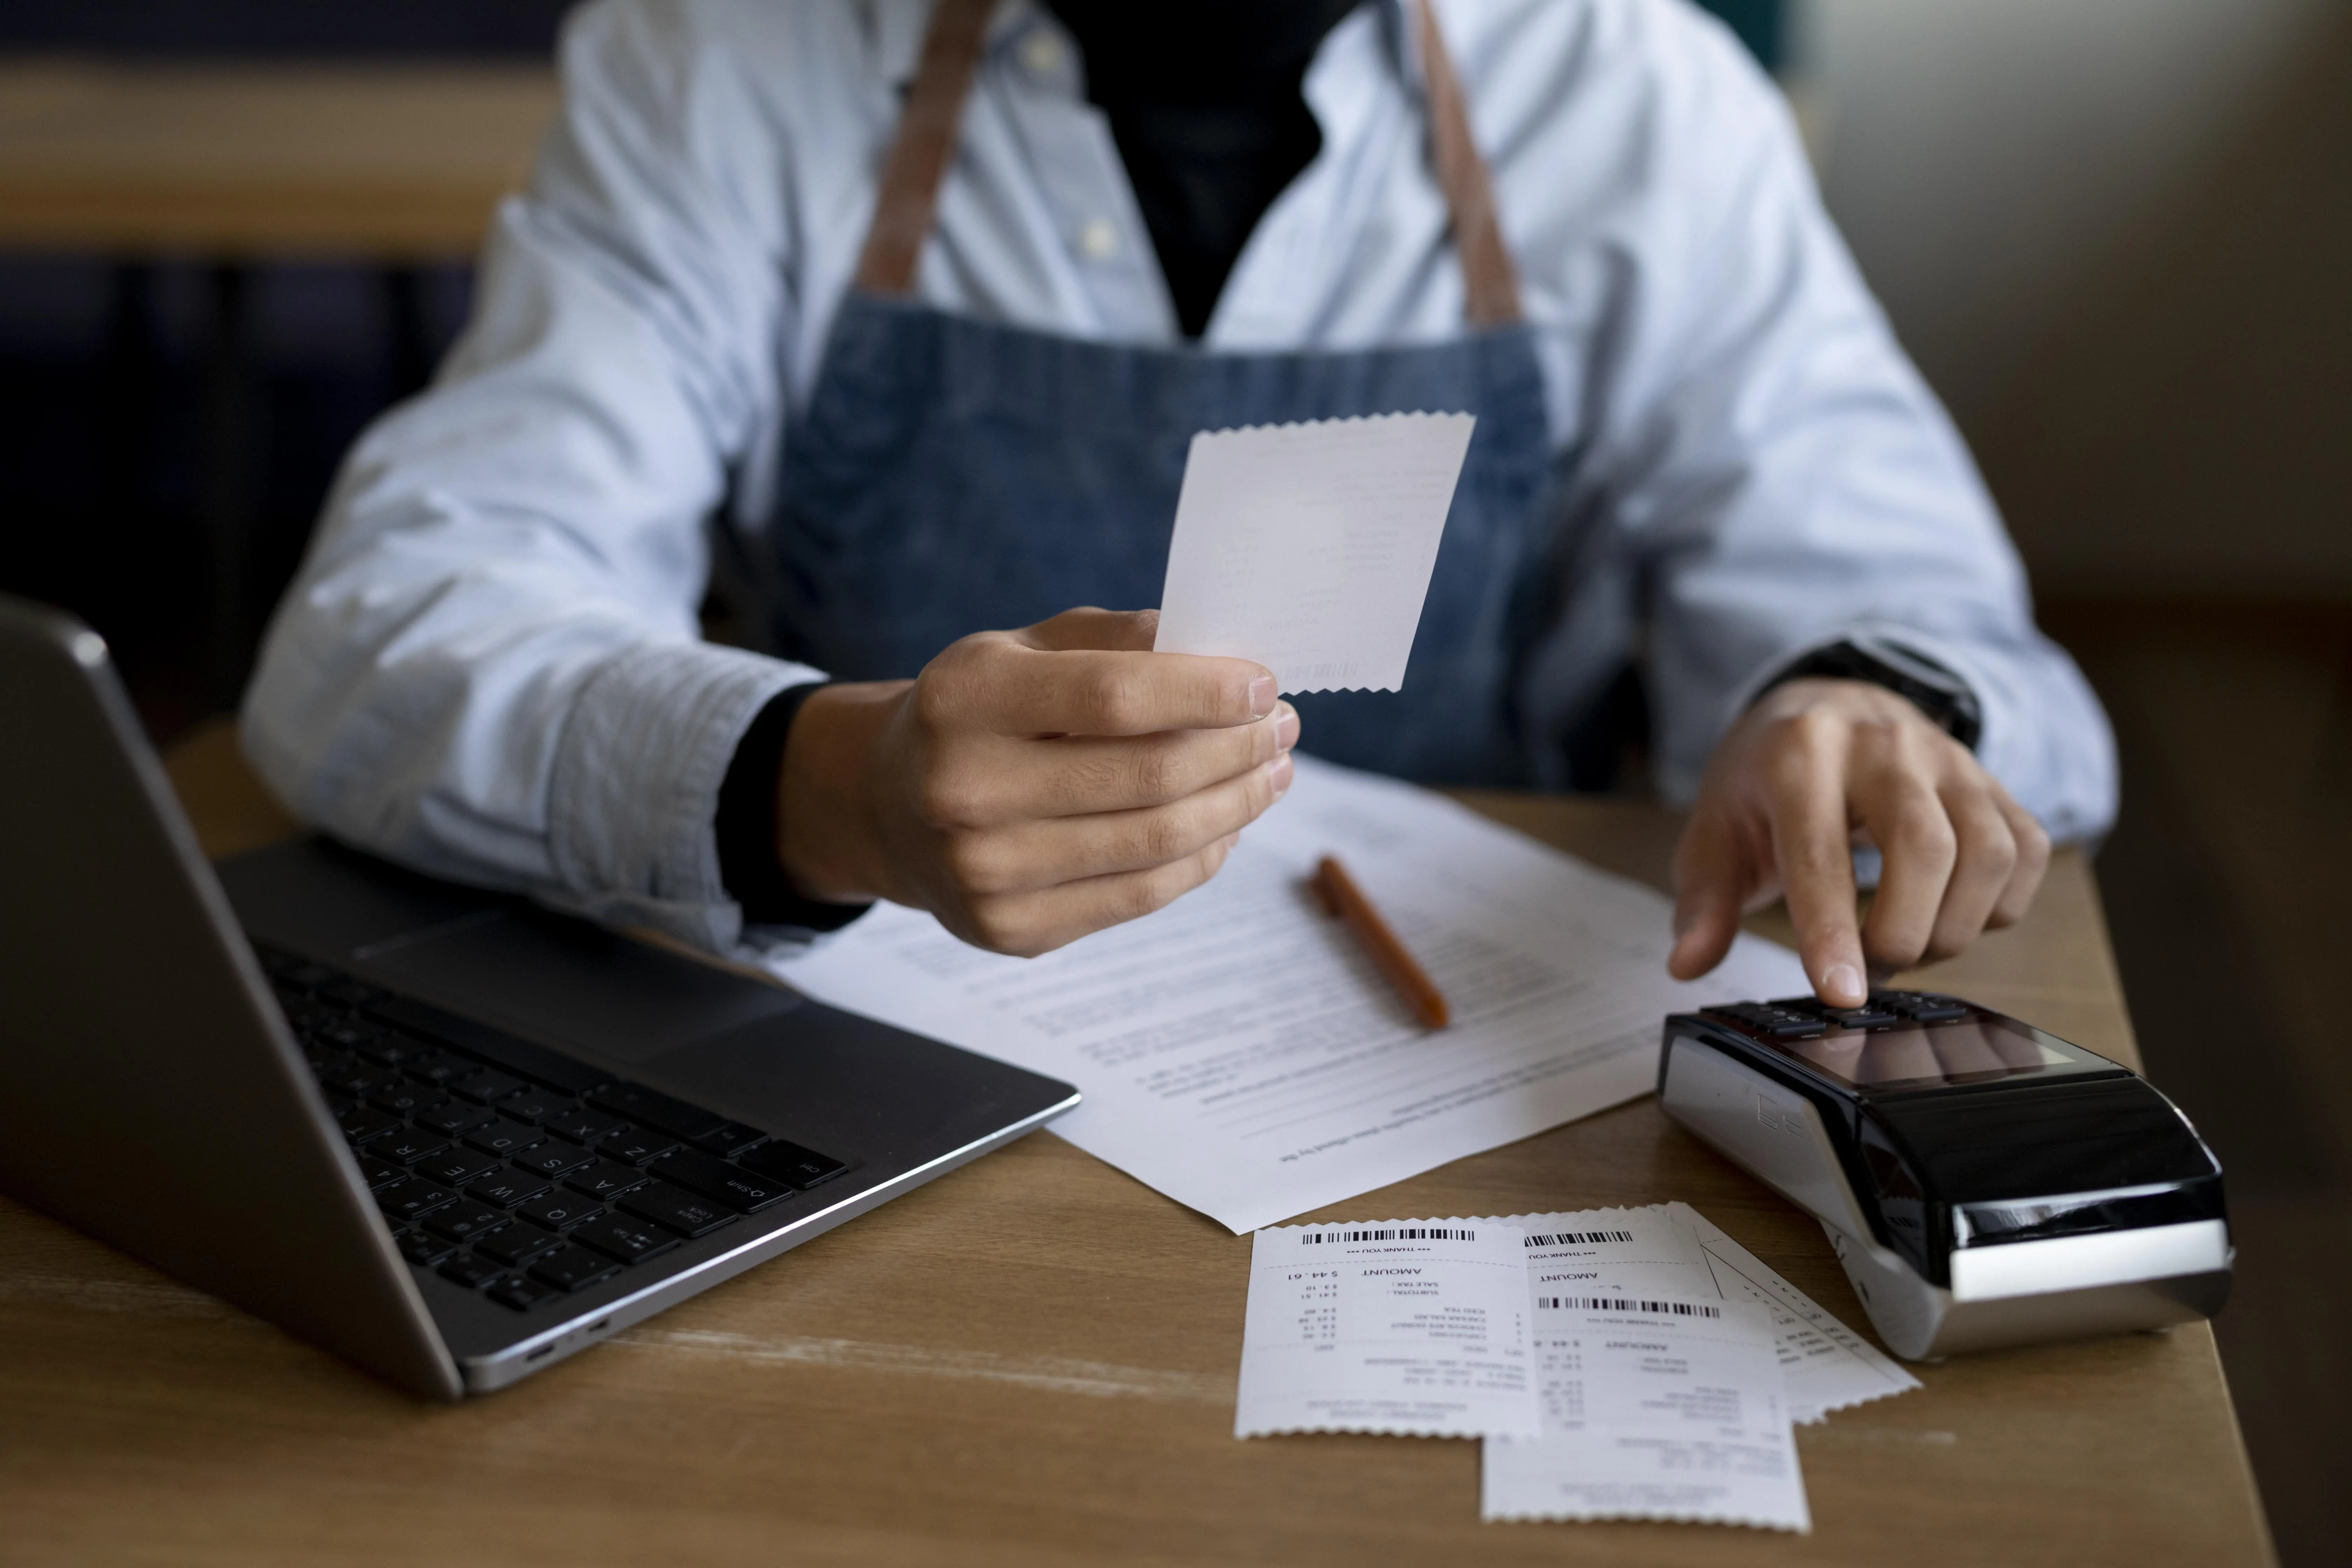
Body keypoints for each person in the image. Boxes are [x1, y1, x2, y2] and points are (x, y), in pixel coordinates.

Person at [243, 0, 2115, 1010]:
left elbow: (1937, 620)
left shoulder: (1639, 99)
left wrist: (1868, 705)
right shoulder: (723, 61)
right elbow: (373, 639)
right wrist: (824, 785)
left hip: (1455, 1093)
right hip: (848, 1092)